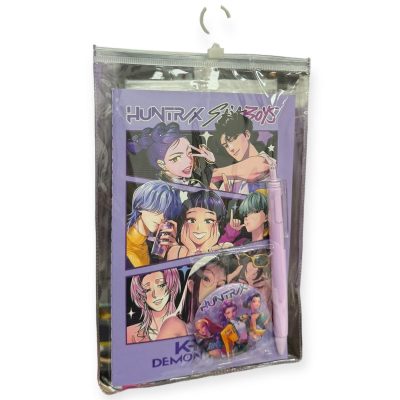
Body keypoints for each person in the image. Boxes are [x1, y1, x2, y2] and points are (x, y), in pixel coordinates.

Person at [157, 254, 238, 339]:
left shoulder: (221, 325)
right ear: (191, 285)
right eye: (207, 279)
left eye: (220, 285)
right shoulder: (174, 325)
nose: (214, 289)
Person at [127, 122, 215, 186]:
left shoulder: (194, 178)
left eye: (189, 153)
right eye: (176, 158)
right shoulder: (158, 190)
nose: (189, 161)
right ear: (161, 164)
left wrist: (210, 163)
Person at [210, 111, 276, 194]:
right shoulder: (230, 178)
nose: (231, 148)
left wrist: (216, 173)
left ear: (247, 135)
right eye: (226, 145)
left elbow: (257, 166)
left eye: (232, 139)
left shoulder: (268, 162)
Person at [126, 180, 182, 267]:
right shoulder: (121, 241)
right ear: (140, 206)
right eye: (158, 210)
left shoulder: (153, 248)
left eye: (166, 214)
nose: (162, 217)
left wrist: (174, 251)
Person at [167, 190, 233, 260]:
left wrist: (205, 249)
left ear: (218, 223)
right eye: (191, 220)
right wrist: (191, 250)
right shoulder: (175, 252)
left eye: (208, 221)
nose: (198, 228)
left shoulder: (224, 249)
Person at [127, 269, 181, 343]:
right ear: (140, 296)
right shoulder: (130, 333)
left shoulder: (185, 325)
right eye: (147, 290)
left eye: (161, 285)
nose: (155, 295)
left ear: (172, 286)